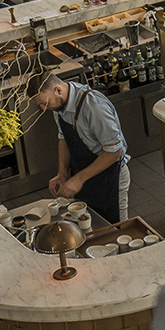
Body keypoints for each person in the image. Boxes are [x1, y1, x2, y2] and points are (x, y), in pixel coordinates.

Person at [29, 70, 129, 222]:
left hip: (111, 178)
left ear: (58, 90)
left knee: (116, 230)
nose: (43, 108)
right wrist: (62, 173)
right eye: (40, 105)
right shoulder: (58, 106)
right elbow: (64, 137)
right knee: (89, 229)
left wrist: (79, 179)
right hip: (86, 179)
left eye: (45, 103)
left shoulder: (93, 106)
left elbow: (115, 151)